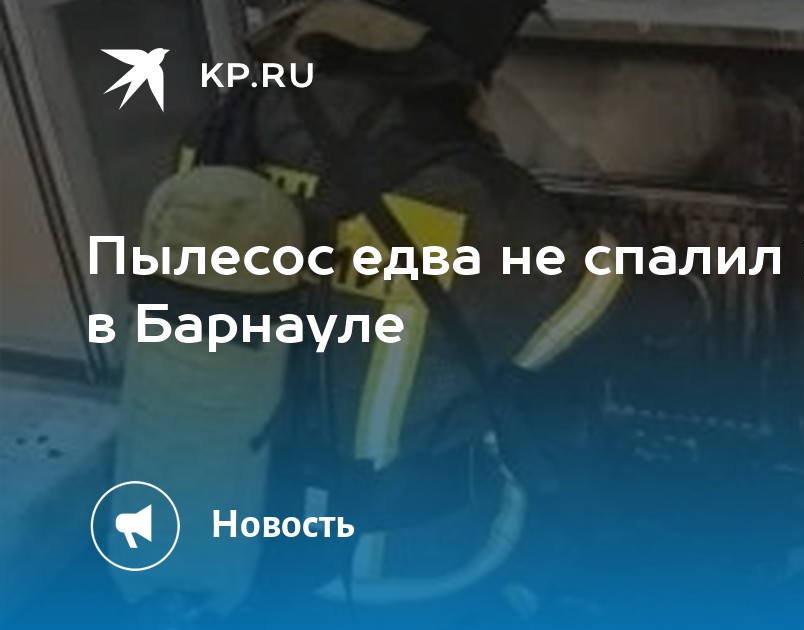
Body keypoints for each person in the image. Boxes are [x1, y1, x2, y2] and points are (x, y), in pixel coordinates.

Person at [131, 0, 627, 626]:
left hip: (242, 539)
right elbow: (598, 315)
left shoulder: (216, 135)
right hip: (417, 565)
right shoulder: (483, 201)